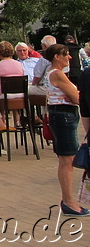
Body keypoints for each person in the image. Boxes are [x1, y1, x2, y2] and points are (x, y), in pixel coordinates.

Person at [42, 44, 90, 216]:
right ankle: (68, 201)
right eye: (66, 54)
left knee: (65, 159)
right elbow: (77, 97)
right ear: (57, 56)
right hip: (64, 116)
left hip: (59, 115)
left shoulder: (51, 73)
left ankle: (68, 200)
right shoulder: (57, 74)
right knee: (67, 160)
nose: (69, 57)